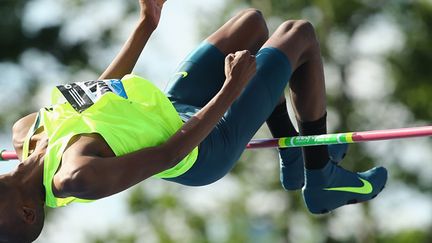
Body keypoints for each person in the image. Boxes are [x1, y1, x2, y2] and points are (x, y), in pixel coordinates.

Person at [0, 0, 388, 242]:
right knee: (298, 34)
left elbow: (94, 96)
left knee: (250, 25)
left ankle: (293, 155)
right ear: (27, 213)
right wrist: (232, 88)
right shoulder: (76, 178)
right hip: (201, 147)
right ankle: (321, 178)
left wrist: (145, 27)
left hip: (172, 109)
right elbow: (170, 155)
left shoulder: (25, 134)